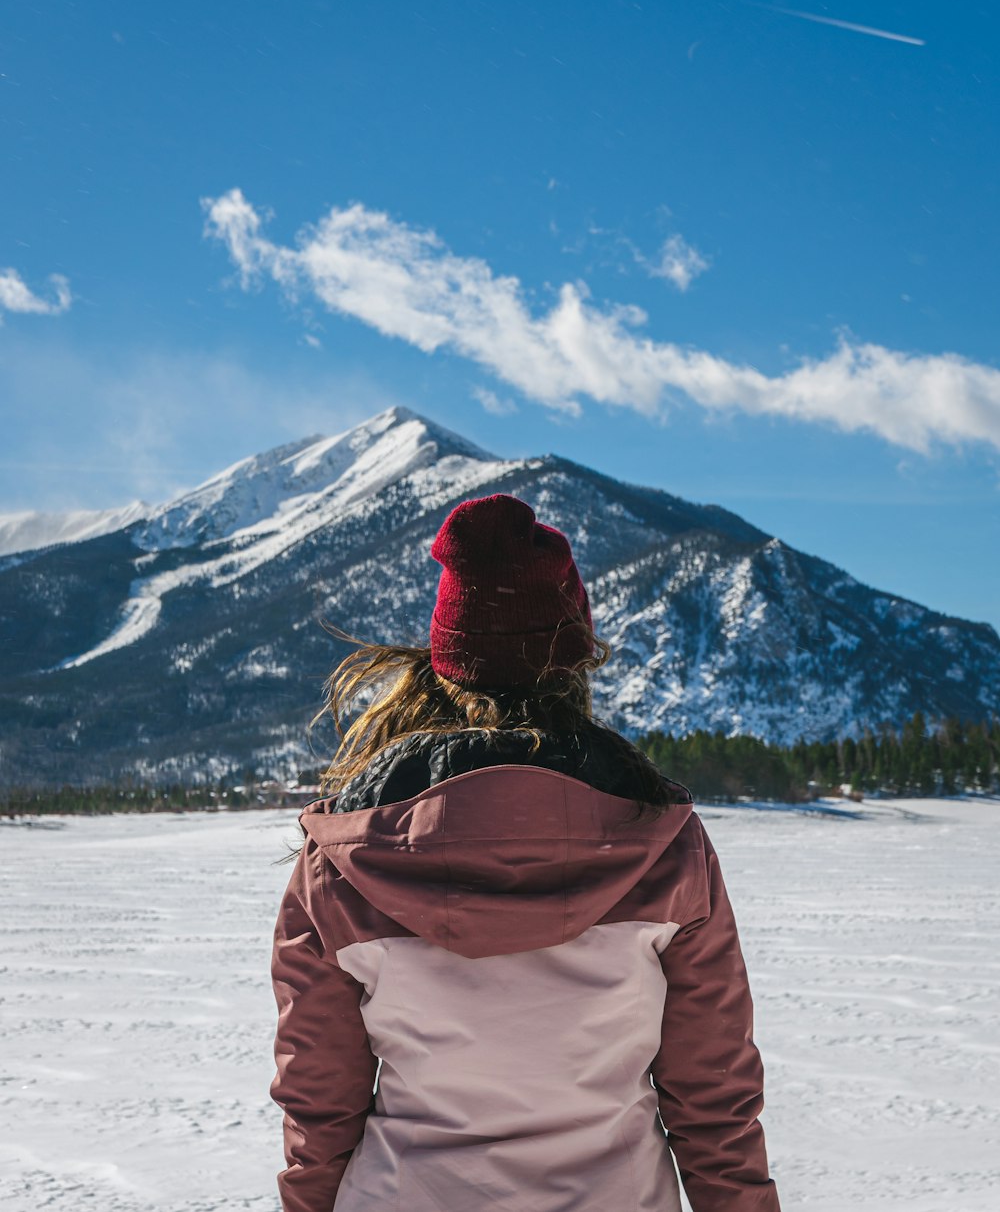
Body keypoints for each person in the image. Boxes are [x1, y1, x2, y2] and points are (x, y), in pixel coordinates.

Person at [269, 493, 781, 1212]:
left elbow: (320, 1107)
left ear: (443, 664)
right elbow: (714, 1100)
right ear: (574, 665)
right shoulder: (663, 843)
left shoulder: (344, 856)